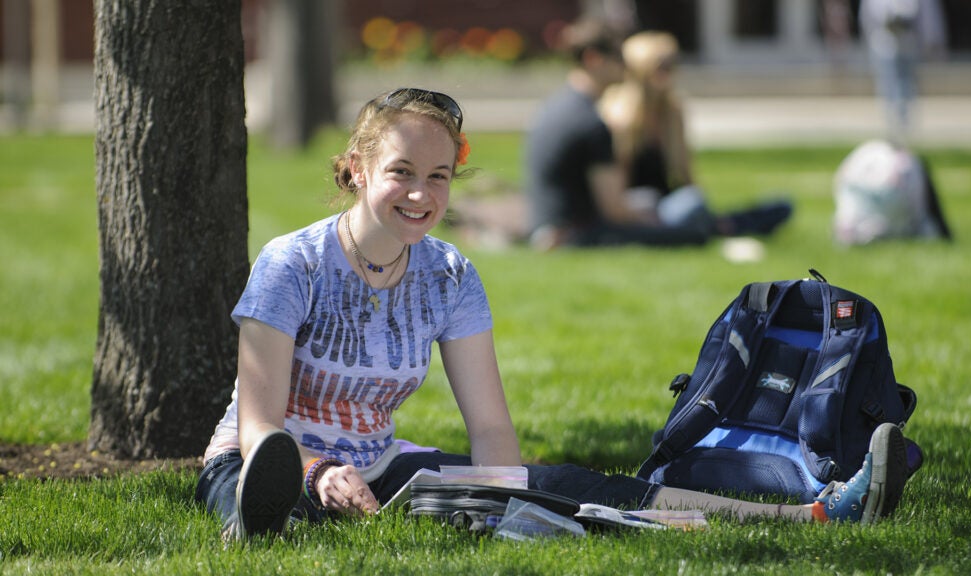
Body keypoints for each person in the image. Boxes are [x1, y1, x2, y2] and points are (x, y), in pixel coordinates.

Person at [195, 87, 909, 542]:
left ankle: (811, 513)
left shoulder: (449, 273)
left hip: (382, 464)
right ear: (356, 170)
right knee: (267, 490)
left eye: (437, 177)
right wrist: (317, 470)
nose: (420, 194)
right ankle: (264, 517)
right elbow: (260, 422)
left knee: (573, 489)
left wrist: (505, 500)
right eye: (401, 174)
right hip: (262, 457)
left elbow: (491, 426)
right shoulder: (293, 264)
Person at [524, 21, 789, 251]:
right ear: (594, 58)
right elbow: (614, 209)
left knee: (691, 212)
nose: (624, 67)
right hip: (576, 235)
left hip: (555, 229)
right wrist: (647, 214)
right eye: (618, 57)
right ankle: (725, 227)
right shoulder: (592, 122)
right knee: (692, 235)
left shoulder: (558, 107)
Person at [597, 30, 793, 240]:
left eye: (672, 66)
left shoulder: (672, 113)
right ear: (640, 71)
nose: (668, 75)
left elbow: (685, 174)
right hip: (636, 207)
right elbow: (615, 190)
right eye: (661, 68)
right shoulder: (618, 116)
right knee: (675, 206)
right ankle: (716, 228)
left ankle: (707, 226)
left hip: (668, 206)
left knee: (780, 205)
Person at [859, 0, 946, 145]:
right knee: (888, 85)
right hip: (884, 40)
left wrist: (931, 40)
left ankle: (906, 125)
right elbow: (867, 16)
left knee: (907, 84)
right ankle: (892, 125)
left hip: (908, 40)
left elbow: (928, 16)